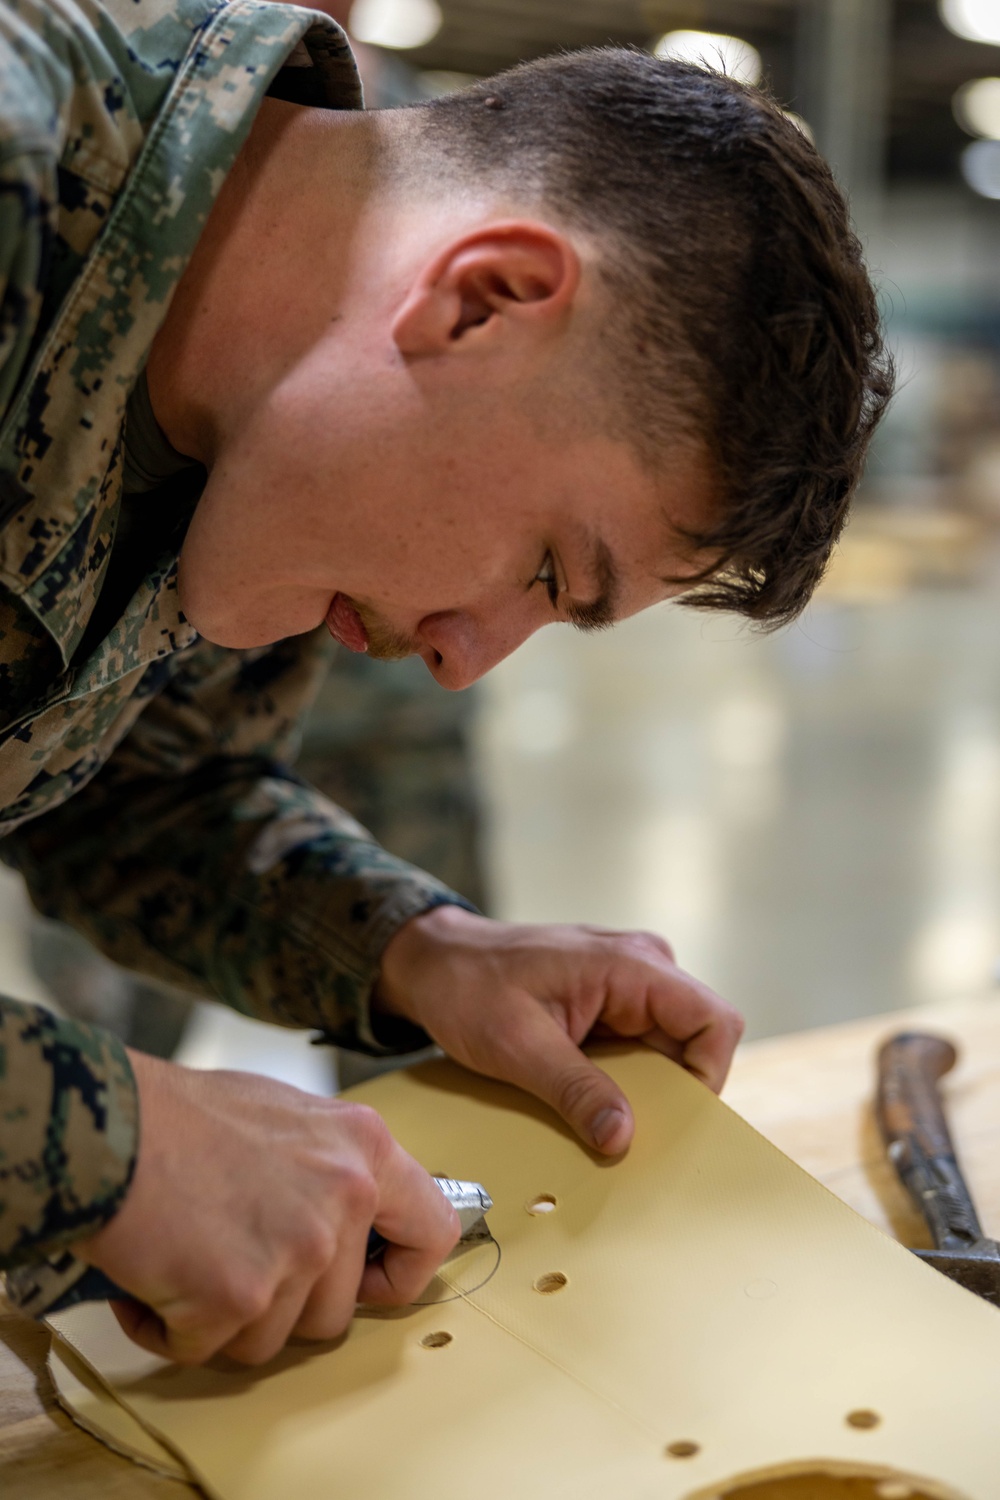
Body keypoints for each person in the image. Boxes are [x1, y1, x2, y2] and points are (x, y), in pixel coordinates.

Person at [0, 0, 890, 1368]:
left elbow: (132, 795)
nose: (462, 656)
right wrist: (103, 1140)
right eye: (547, 566)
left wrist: (413, 951)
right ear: (481, 300)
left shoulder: (282, 450)